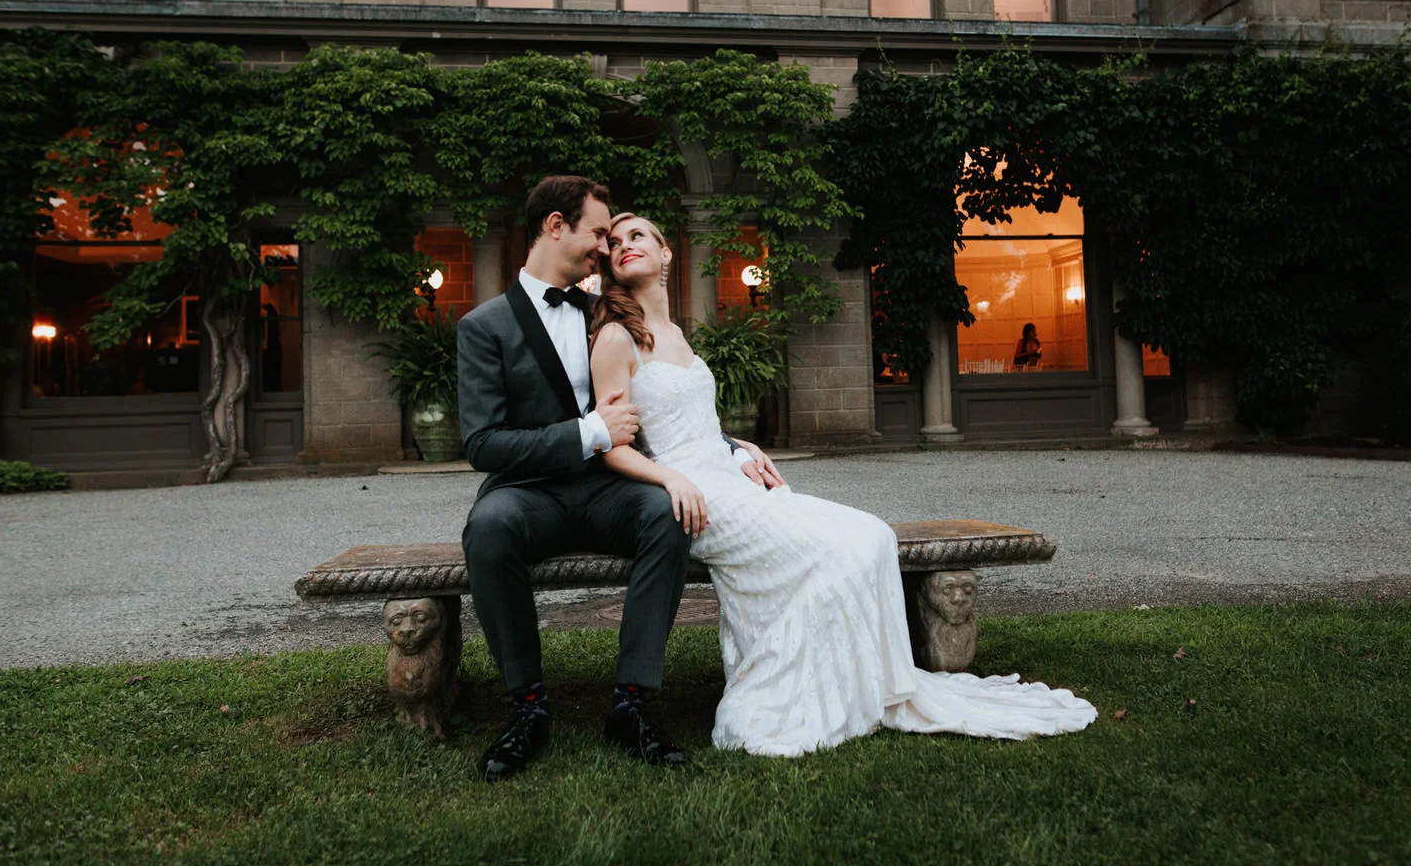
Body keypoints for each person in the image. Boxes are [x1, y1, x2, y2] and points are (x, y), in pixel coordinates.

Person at [589, 213, 1097, 757]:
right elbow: (610, 443)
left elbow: (697, 423)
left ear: (667, 253)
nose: (624, 245)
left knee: (872, 536)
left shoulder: (675, 334)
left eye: (637, 235)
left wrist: (741, 447)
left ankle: (869, 684)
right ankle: (794, 693)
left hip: (730, 475)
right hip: (697, 497)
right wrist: (670, 477)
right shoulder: (617, 338)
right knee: (839, 549)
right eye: (615, 242)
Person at [455, 176, 764, 782]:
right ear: (554, 227)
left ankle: (631, 703)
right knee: (487, 531)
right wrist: (588, 433)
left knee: (667, 515)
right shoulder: (484, 327)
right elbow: (483, 444)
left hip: (608, 488)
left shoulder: (609, 308)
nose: (604, 246)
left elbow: (668, 399)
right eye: (597, 232)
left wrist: (730, 448)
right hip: (529, 492)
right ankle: (527, 708)